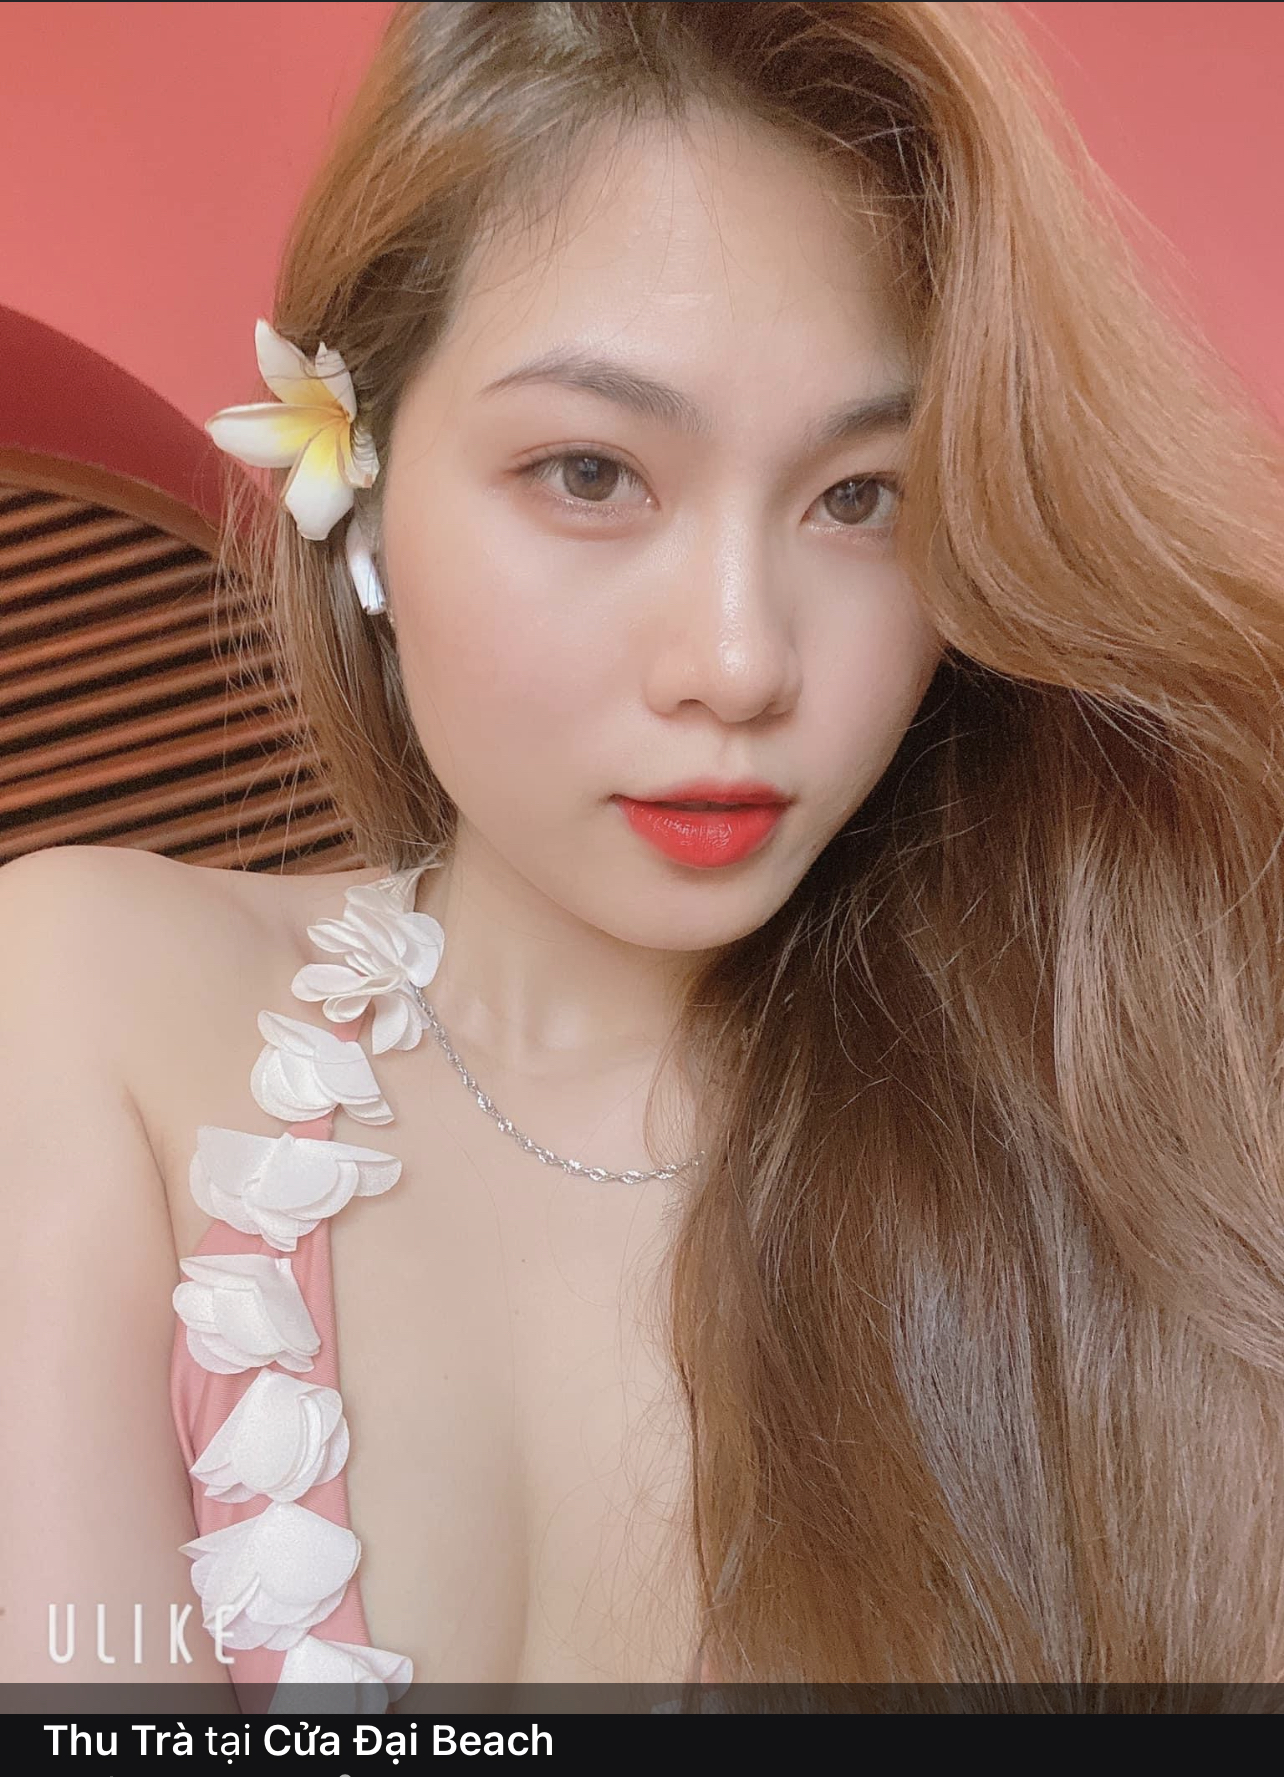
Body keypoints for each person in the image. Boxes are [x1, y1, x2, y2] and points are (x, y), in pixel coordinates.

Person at [5, 0, 1284, 1704]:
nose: (740, 662)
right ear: (360, 481)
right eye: (593, 472)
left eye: (861, 496)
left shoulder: (1120, 1102)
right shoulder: (87, 999)